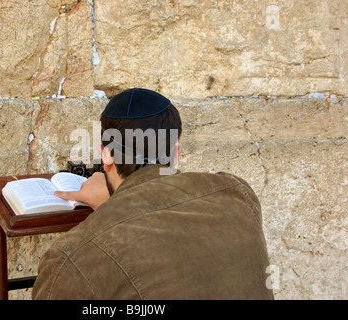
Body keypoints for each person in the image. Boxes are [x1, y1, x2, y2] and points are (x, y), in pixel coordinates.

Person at [32, 88, 274, 300]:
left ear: (105, 155)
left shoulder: (69, 259)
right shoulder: (237, 194)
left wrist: (111, 210)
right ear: (176, 155)